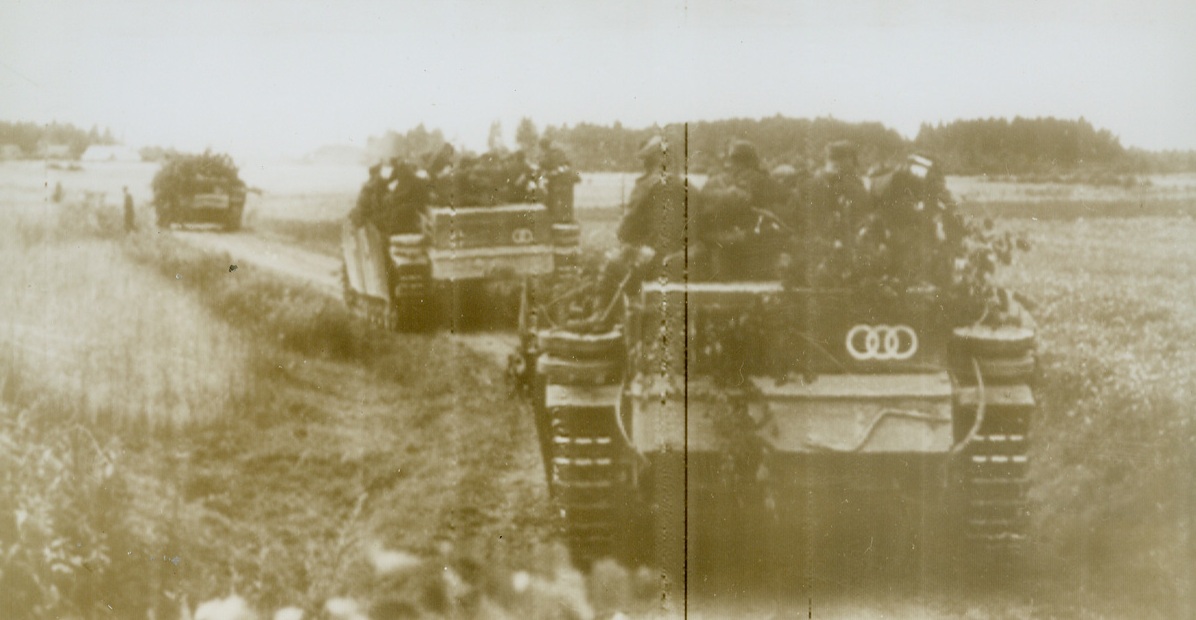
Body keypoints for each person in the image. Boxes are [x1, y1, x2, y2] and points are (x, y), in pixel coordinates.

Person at [695, 140, 787, 280]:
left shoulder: (713, 182)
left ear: (730, 160)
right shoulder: (765, 181)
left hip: (720, 246)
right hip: (757, 249)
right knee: (757, 292)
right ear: (753, 159)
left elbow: (700, 218)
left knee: (723, 294)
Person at [799, 140, 879, 286]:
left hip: (814, 257)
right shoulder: (856, 186)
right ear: (850, 160)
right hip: (846, 257)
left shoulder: (810, 183)